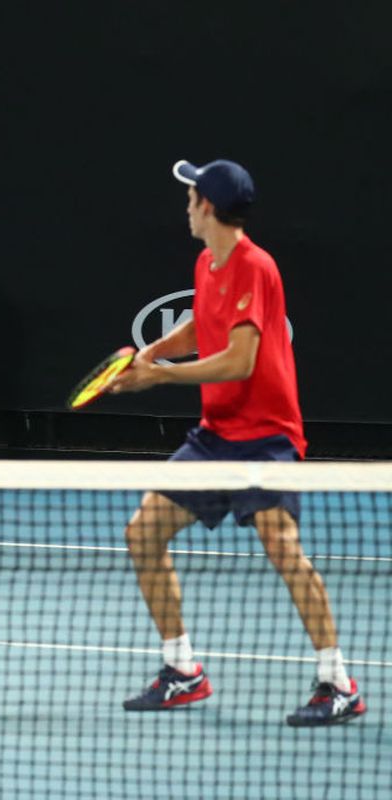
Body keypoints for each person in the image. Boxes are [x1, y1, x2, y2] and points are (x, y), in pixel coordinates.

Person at [109, 159, 364, 726]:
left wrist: (160, 377)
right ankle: (182, 671)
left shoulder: (256, 267)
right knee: (141, 534)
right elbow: (204, 327)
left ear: (208, 207)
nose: (186, 204)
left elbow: (240, 361)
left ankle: (337, 680)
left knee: (281, 545)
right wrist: (153, 353)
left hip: (268, 437)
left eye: (191, 196)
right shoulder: (208, 261)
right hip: (215, 437)